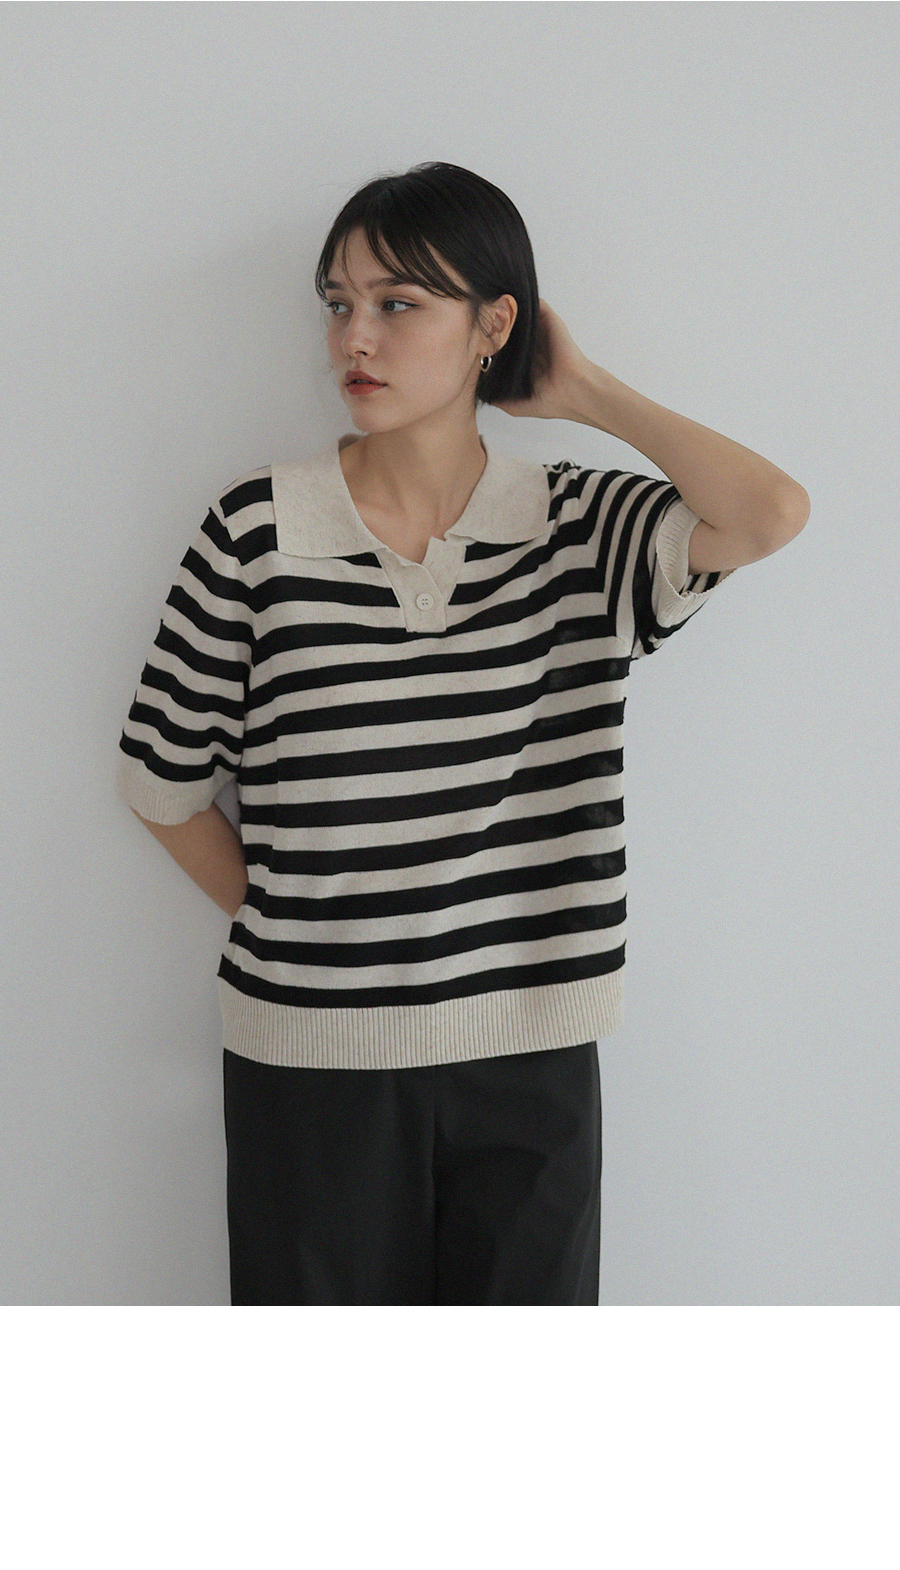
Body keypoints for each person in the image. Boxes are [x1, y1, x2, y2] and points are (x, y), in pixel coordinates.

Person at [116, 161, 809, 1306]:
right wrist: (304, 924)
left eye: (399, 303)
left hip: (530, 1062)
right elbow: (160, 780)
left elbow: (769, 512)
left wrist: (583, 389)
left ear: (495, 325)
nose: (356, 337)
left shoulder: (578, 527)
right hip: (314, 1067)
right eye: (339, 302)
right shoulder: (257, 531)